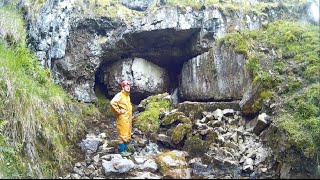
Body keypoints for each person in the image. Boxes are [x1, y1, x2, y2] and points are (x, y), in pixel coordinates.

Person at [110, 80, 133, 157]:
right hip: (122, 118)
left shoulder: (127, 96)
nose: (128, 87)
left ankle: (125, 150)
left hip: (128, 118)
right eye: (126, 86)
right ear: (123, 87)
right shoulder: (120, 95)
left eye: (129, 86)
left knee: (127, 134)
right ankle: (122, 151)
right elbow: (112, 103)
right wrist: (119, 111)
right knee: (123, 134)